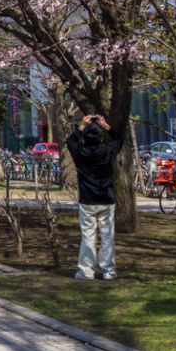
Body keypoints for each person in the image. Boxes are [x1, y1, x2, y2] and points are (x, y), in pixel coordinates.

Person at [66, 114, 122, 281]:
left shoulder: (79, 153)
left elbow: (70, 141)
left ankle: (86, 271)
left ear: (85, 136)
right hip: (106, 198)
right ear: (100, 137)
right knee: (107, 236)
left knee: (88, 236)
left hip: (87, 200)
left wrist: (82, 125)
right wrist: (107, 126)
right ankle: (108, 271)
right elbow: (119, 139)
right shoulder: (107, 151)